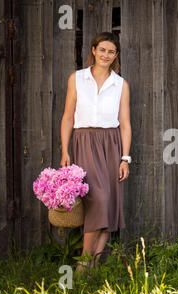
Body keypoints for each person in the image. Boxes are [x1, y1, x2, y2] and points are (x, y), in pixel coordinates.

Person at [60, 32, 132, 274]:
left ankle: (91, 267)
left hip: (111, 145)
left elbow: (125, 123)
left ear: (116, 55)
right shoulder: (77, 79)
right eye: (102, 50)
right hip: (85, 142)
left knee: (108, 205)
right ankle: (83, 263)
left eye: (111, 52)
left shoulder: (120, 84)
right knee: (97, 202)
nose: (106, 55)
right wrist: (65, 150)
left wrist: (125, 158)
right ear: (93, 50)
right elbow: (68, 116)